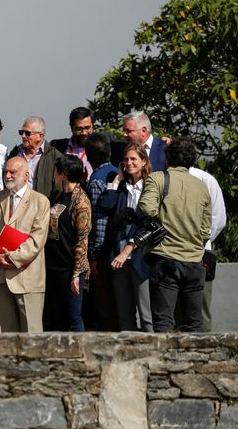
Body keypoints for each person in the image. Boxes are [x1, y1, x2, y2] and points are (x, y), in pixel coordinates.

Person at [139, 137, 210, 332]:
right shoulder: (202, 186)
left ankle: (164, 362)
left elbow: (147, 208)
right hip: (195, 260)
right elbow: (206, 229)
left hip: (165, 257)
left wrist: (164, 222)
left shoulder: (158, 178)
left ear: (168, 157)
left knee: (163, 322)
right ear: (192, 160)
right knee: (193, 323)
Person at [0, 157, 50, 333]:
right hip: (0, 274)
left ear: (26, 175)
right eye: (6, 172)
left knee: (32, 333)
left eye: (13, 172)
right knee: (4, 333)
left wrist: (12, 258)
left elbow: (37, 239)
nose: (8, 176)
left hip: (28, 275)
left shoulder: (40, 201)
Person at [100, 143, 153, 332]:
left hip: (141, 257)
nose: (129, 163)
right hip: (118, 257)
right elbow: (105, 205)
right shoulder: (122, 187)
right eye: (126, 159)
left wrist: (129, 249)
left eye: (134, 159)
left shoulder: (151, 187)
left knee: (147, 316)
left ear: (144, 161)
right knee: (124, 315)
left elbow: (149, 224)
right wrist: (116, 181)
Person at [43, 155, 91, 332]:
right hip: (55, 265)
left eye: (56, 171)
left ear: (63, 173)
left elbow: (82, 238)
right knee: (57, 317)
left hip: (70, 267)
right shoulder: (60, 195)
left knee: (74, 316)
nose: (53, 175)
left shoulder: (80, 200)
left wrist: (77, 274)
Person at [83, 132, 119, 331]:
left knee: (105, 306)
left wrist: (94, 255)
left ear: (88, 156)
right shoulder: (115, 172)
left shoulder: (97, 180)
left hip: (103, 253)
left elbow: (99, 221)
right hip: (117, 248)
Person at [188, 164, 226, 331]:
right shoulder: (164, 177)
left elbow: (218, 218)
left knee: (200, 307)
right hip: (174, 252)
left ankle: (205, 352)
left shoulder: (205, 179)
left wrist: (202, 240)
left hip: (200, 251)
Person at [6, 116, 64, 201]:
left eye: (27, 133)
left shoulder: (55, 156)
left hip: (41, 208)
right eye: (21, 132)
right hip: (16, 206)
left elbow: (59, 188)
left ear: (40, 136)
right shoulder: (15, 153)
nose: (23, 136)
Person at [49, 107, 95, 178]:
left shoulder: (101, 148)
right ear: (71, 128)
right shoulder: (58, 147)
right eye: (79, 129)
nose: (84, 133)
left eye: (87, 128)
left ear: (92, 126)